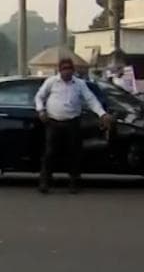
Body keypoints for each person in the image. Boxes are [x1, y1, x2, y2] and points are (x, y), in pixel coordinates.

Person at [34, 58, 111, 194]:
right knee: (50, 153)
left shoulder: (79, 84)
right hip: (54, 122)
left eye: (69, 68)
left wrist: (102, 114)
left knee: (74, 153)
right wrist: (41, 110)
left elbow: (91, 100)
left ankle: (74, 182)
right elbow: (39, 96)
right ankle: (45, 182)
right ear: (59, 70)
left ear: (73, 70)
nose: (67, 71)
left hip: (72, 122)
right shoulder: (52, 82)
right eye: (64, 68)